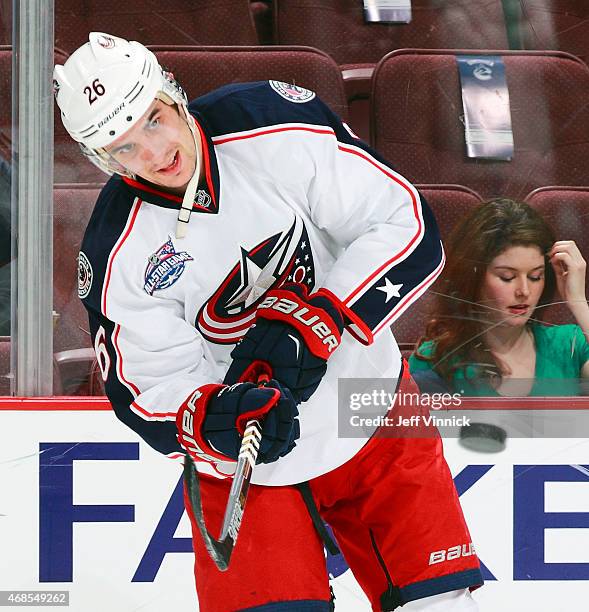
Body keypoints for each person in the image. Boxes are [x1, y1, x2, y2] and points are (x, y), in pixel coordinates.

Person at [54, 32, 482, 612]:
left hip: (370, 400)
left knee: (446, 604)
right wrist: (213, 419)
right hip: (249, 465)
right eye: (124, 149)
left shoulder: (274, 123)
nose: (155, 154)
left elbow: (405, 225)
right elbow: (146, 387)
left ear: (172, 93)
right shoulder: (116, 250)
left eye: (153, 120)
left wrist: (320, 321)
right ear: (102, 160)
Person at [409, 199, 589, 397]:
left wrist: (579, 302)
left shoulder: (571, 344)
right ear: (473, 276)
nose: (524, 290)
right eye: (507, 277)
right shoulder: (435, 359)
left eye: (535, 276)